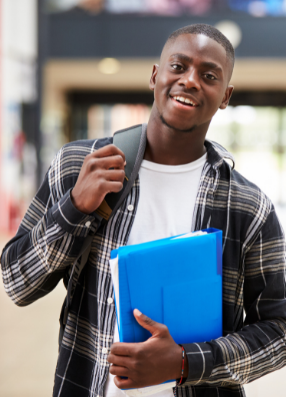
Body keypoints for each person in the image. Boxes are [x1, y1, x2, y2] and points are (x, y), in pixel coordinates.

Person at [1, 24, 286, 397]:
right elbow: (17, 283)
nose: (190, 81)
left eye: (209, 75)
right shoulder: (79, 165)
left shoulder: (248, 206)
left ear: (226, 96)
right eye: (178, 66)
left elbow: (278, 331)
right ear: (155, 76)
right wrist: (74, 209)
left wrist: (186, 363)